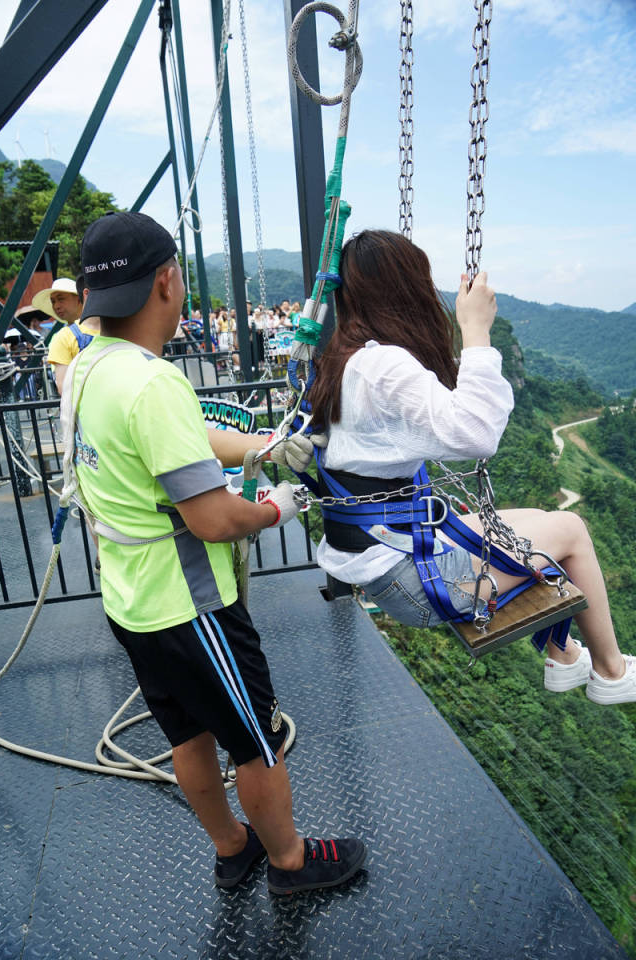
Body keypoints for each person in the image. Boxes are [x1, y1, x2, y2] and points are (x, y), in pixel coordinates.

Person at [66, 210, 366, 895]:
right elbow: (210, 520)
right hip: (190, 606)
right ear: (169, 281)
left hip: (130, 599)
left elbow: (177, 438)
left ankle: (235, 848)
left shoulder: (87, 369)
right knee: (255, 737)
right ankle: (290, 863)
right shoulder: (153, 383)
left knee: (186, 734)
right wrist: (274, 509)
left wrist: (257, 447)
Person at [308, 229, 635, 705]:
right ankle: (612, 672)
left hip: (388, 555)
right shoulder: (383, 366)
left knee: (545, 525)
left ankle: (564, 658)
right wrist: (477, 330)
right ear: (407, 289)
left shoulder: (344, 357)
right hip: (412, 578)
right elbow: (477, 435)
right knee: (572, 531)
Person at [41, 275, 100, 395]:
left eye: (61, 299)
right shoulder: (61, 337)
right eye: (53, 301)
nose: (56, 306)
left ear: (79, 298)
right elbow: (63, 387)